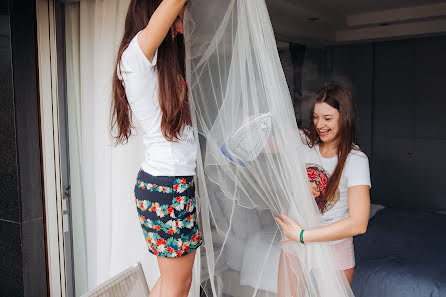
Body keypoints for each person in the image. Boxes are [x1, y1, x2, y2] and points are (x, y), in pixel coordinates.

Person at [111, 1, 201, 296]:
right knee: (177, 285)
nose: (180, 27)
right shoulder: (135, 57)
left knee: (178, 282)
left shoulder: (158, 67)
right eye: (175, 19)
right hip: (166, 185)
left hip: (176, 183)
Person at [276, 85, 371, 285]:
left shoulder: (356, 160)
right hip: (295, 244)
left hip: (333, 246)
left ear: (344, 118)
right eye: (316, 117)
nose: (320, 124)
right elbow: (264, 145)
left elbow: (359, 223)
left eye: (327, 118)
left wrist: (303, 236)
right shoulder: (303, 142)